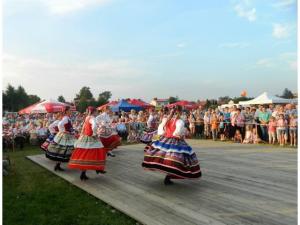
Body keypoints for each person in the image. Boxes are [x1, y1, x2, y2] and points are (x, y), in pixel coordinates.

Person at [142, 106, 201, 185]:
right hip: (175, 140)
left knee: (166, 159)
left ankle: (168, 177)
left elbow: (161, 131)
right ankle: (168, 177)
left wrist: (157, 139)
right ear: (180, 112)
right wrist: (182, 134)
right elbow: (177, 133)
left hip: (165, 139)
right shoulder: (179, 121)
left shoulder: (166, 119)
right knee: (177, 160)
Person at [69, 107, 107, 180]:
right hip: (91, 138)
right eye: (96, 112)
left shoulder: (87, 117)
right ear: (94, 112)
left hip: (86, 137)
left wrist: (82, 134)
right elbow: (94, 126)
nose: (97, 113)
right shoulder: (92, 118)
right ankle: (98, 169)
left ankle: (88, 172)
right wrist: (95, 133)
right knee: (98, 152)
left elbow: (84, 127)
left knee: (87, 155)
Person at [46, 106, 76, 171]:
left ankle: (57, 165)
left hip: (67, 135)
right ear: (66, 111)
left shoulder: (67, 117)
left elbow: (65, 126)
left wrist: (71, 130)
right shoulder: (65, 118)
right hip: (65, 136)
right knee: (63, 151)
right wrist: (63, 131)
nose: (71, 111)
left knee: (62, 151)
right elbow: (60, 124)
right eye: (70, 110)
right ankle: (58, 165)